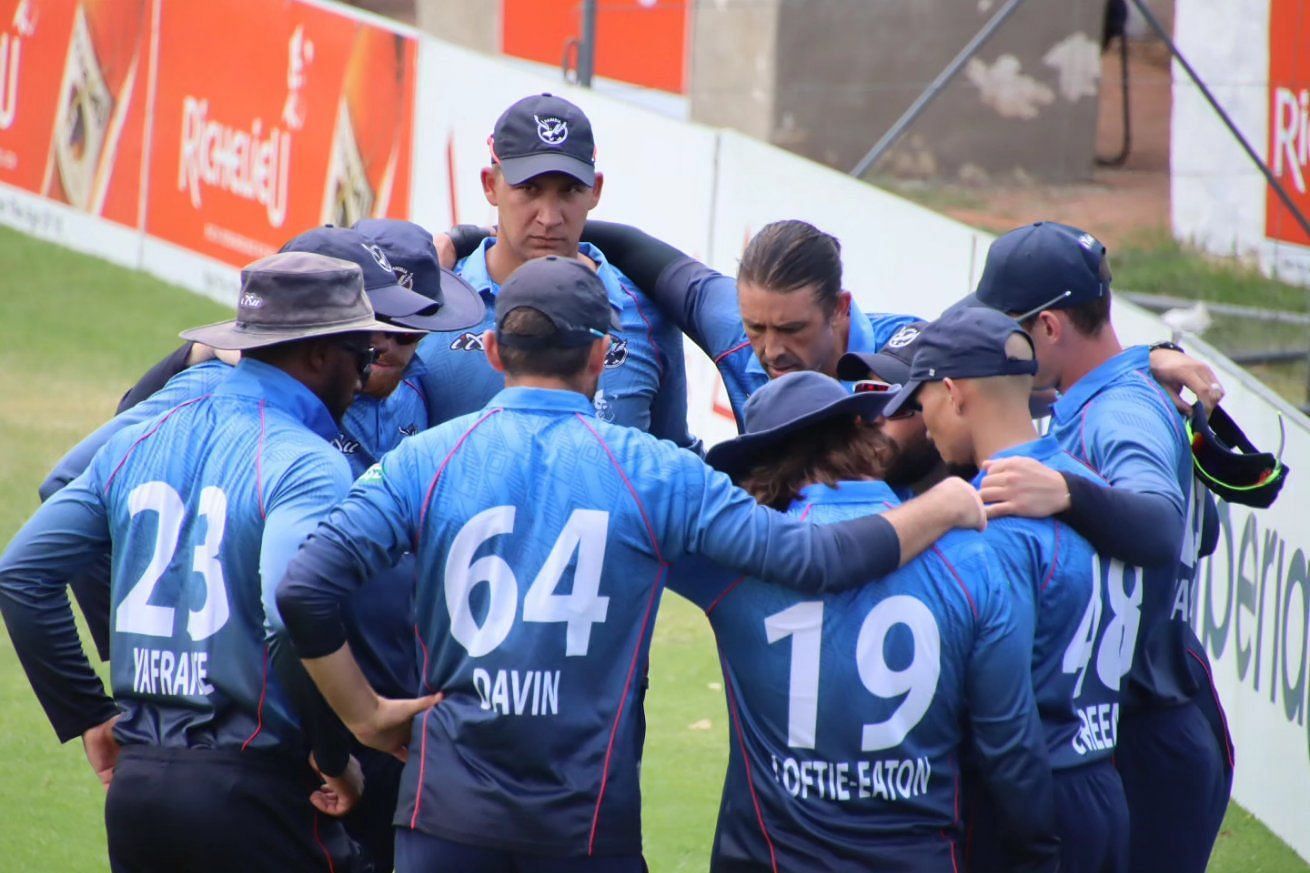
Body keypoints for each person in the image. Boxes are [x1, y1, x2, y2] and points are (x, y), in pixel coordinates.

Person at [275, 256, 988, 872]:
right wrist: (940, 505)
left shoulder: (425, 459)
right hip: (584, 828)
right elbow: (809, 558)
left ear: (493, 351)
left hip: (443, 818)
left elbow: (304, 590)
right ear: (599, 357)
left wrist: (364, 715)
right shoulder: (654, 472)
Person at [30, 221, 483, 873]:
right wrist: (130, 650)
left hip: (372, 729)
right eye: (373, 332)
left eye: (408, 334)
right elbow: (290, 609)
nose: (383, 349)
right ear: (324, 343)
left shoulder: (418, 392)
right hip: (291, 740)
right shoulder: (225, 405)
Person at [669, 370, 1059, 872]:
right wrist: (1040, 852)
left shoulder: (733, 565)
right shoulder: (972, 560)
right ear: (863, 434)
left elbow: (647, 503)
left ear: (761, 466)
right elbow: (1011, 748)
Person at [955, 222, 1233, 873]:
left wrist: (1067, 492)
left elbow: (1162, 528)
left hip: (1150, 729)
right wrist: (1149, 355)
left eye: (1008, 329)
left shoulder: (1120, 411)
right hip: (1147, 706)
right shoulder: (1114, 389)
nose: (998, 346)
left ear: (1049, 327)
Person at [885, 308, 1132, 873]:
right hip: (1102, 780)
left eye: (921, 403)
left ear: (953, 392)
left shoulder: (990, 520)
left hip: (1028, 799)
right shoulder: (1087, 485)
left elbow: (1001, 714)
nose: (922, 423)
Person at [416, 93, 699, 449]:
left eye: (570, 191)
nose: (549, 218)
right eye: (529, 189)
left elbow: (670, 463)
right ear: (490, 185)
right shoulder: (432, 304)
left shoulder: (647, 317)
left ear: (595, 190)